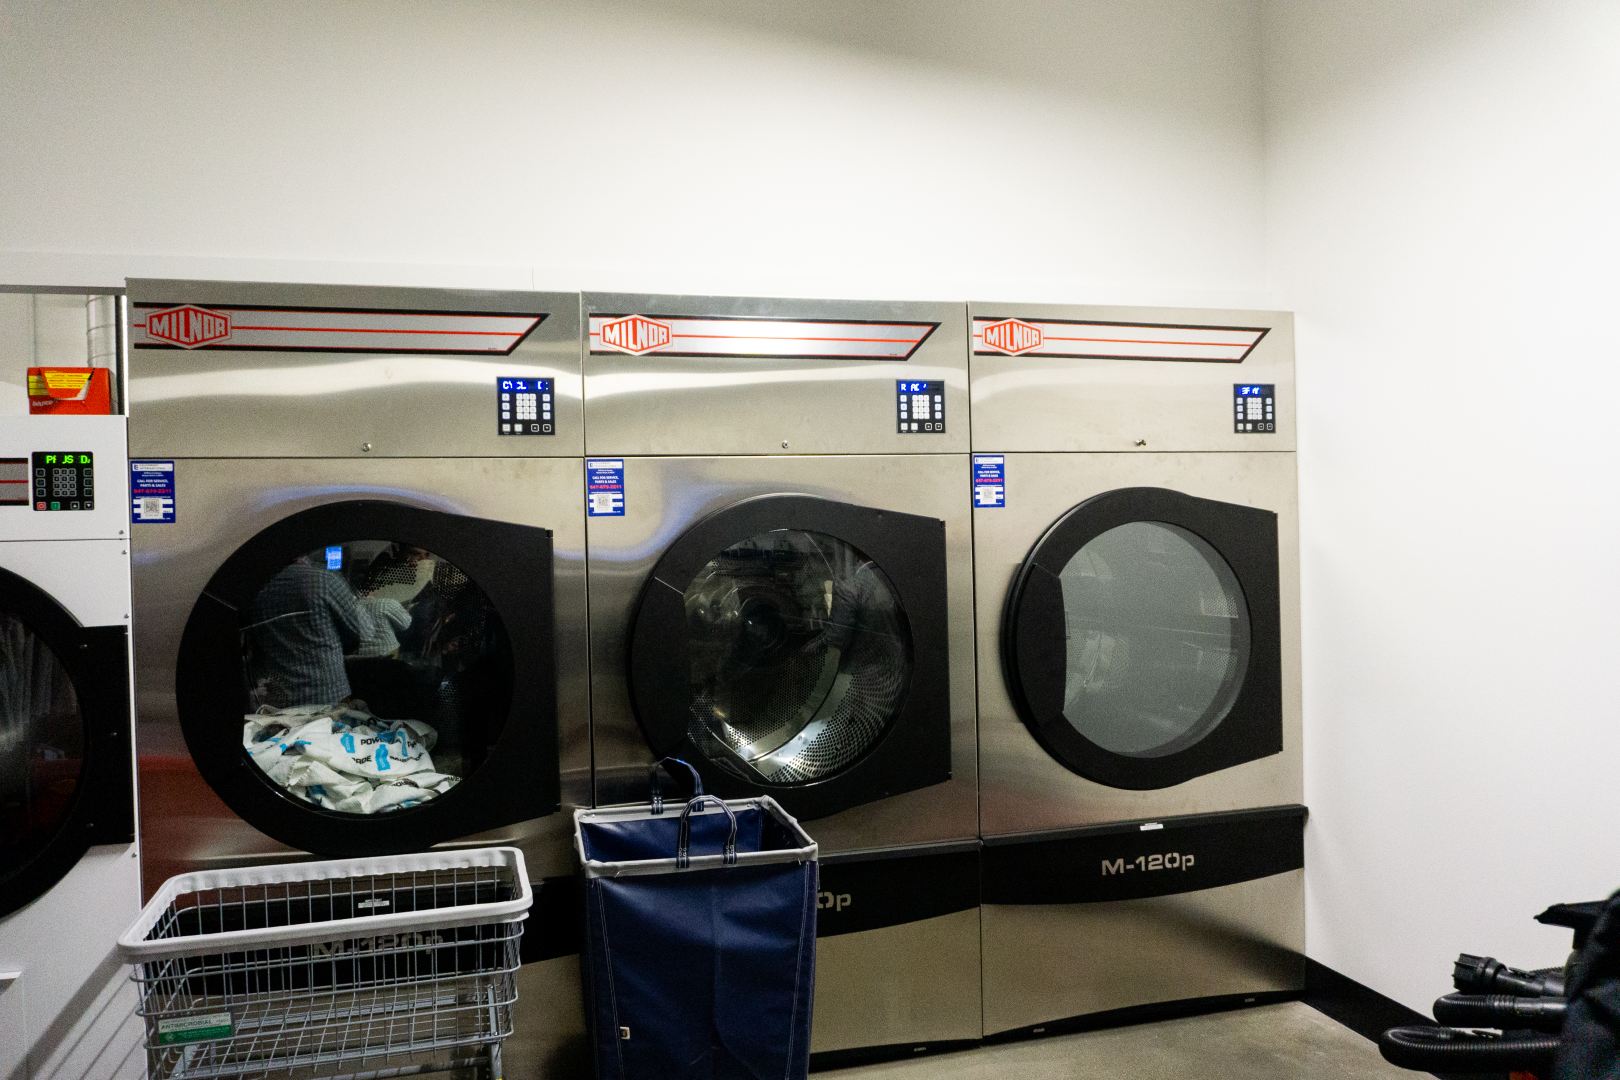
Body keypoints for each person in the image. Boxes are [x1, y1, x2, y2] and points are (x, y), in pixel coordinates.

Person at [243, 553, 373, 708]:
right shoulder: (325, 581)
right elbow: (359, 634)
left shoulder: (252, 592)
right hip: (327, 695)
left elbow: (251, 649)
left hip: (277, 700)